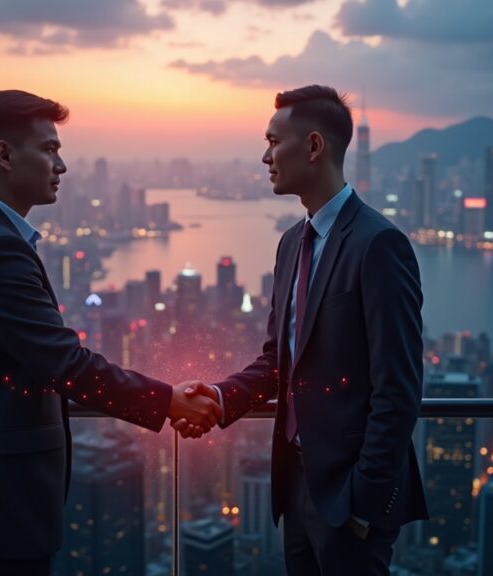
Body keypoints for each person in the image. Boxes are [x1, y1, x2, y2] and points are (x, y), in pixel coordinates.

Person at [0, 89, 220, 575]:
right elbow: (65, 364)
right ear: (4, 155)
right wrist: (168, 401)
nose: (61, 165)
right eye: (49, 149)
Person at [175, 85, 428, 575]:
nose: (264, 156)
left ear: (314, 146)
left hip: (349, 499)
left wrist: (362, 504)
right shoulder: (292, 243)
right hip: (294, 486)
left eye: (274, 141)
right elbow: (279, 360)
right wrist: (223, 397)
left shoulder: (379, 245)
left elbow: (398, 388)